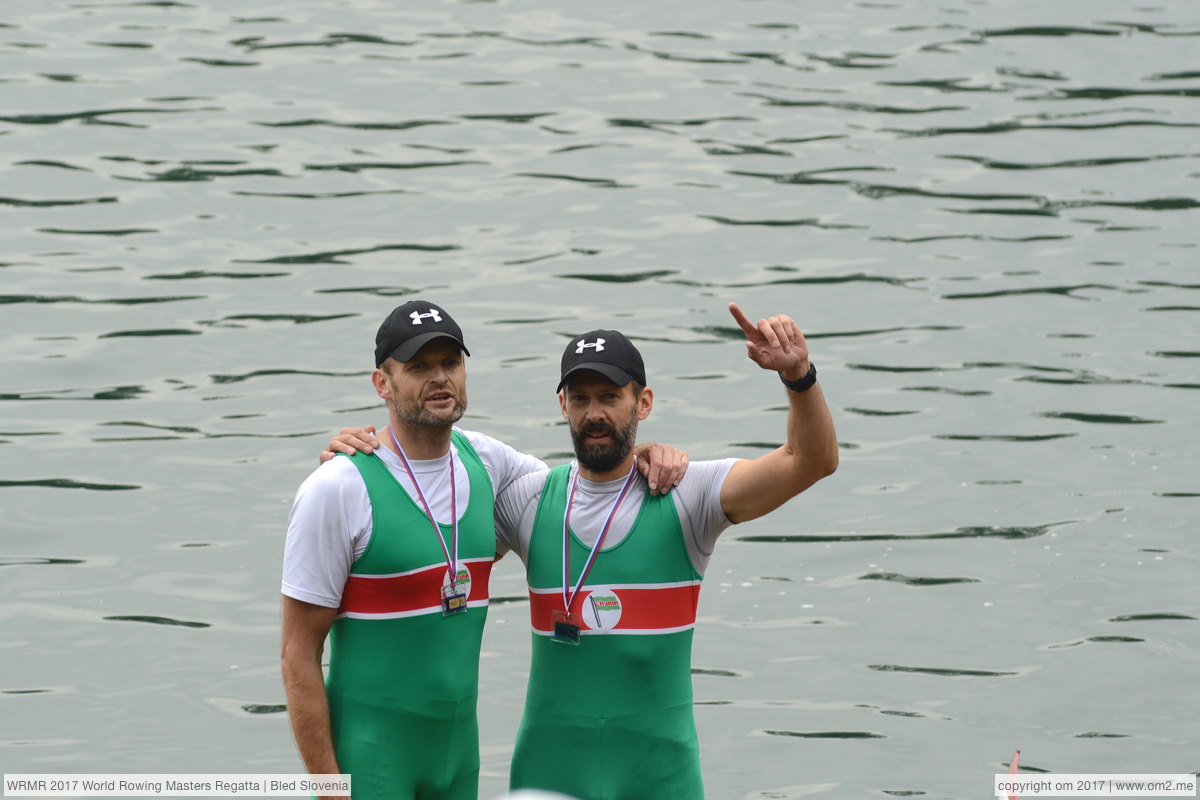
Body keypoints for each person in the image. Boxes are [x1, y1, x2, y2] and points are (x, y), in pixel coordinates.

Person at [281, 300, 687, 800]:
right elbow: (298, 654)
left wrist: (643, 452)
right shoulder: (337, 488)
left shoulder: (491, 464)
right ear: (381, 383)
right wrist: (328, 790)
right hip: (370, 764)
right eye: (419, 367)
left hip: (458, 766)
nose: (440, 378)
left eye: (450, 363)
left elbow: (587, 487)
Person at [491, 303, 838, 800]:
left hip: (660, 780)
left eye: (611, 396)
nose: (594, 414)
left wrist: (798, 377)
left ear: (644, 402)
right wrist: (359, 460)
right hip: (549, 778)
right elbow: (428, 544)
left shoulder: (688, 496)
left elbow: (812, 461)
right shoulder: (527, 500)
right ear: (562, 404)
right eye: (581, 398)